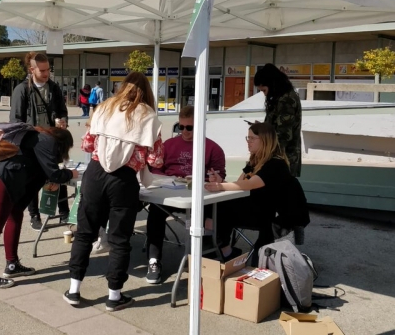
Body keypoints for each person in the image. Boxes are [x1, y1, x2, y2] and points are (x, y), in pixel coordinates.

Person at [64, 71, 164, 312]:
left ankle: (74, 289)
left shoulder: (105, 106)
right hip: (123, 180)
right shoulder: (148, 115)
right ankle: (114, 295)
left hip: (95, 173)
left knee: (85, 234)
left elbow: (87, 144)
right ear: (146, 91)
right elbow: (156, 159)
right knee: (120, 239)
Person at [0, 126, 79, 289]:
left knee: (15, 216)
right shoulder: (47, 141)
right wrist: (71, 174)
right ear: (63, 143)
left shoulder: (34, 137)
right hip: (2, 180)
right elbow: (54, 174)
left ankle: (12, 265)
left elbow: (36, 168)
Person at [144, 105, 226, 284]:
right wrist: (168, 178)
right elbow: (155, 170)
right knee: (156, 211)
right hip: (170, 191)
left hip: (199, 196)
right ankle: (154, 260)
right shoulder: (168, 145)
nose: (184, 131)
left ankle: (205, 255)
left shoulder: (213, 148)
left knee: (213, 212)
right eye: (180, 127)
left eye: (189, 127)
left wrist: (213, 177)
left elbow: (219, 178)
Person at [203, 122, 293, 265]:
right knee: (211, 205)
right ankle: (219, 247)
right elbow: (240, 184)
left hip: (264, 214)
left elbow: (250, 184)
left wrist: (220, 186)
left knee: (217, 207)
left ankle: (218, 247)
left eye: (252, 138)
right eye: (247, 138)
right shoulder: (254, 161)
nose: (248, 142)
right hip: (248, 207)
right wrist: (220, 181)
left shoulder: (276, 164)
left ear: (265, 140)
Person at [10, 52, 70, 231]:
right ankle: (34, 215)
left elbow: (62, 110)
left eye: (48, 70)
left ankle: (64, 211)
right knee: (32, 181)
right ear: (32, 69)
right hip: (31, 144)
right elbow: (15, 121)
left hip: (52, 141)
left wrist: (62, 120)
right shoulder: (22, 89)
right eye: (42, 70)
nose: (46, 74)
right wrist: (32, 132)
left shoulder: (54, 88)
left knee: (57, 176)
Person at [254, 63, 303, 177]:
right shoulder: (281, 98)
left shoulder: (286, 100)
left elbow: (283, 134)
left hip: (283, 158)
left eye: (264, 90)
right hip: (279, 157)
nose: (264, 94)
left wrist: (268, 155)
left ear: (272, 84)